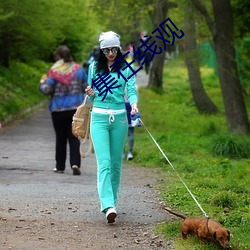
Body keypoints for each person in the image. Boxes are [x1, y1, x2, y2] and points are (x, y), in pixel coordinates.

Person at [85, 31, 139, 223]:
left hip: (120, 118)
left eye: (113, 49)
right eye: (106, 50)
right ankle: (107, 205)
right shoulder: (94, 68)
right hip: (98, 117)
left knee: (116, 164)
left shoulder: (125, 68)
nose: (110, 53)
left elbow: (131, 91)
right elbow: (91, 96)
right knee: (105, 163)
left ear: (118, 48)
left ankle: (112, 201)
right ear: (101, 50)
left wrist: (133, 104)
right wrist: (90, 92)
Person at [39, 45, 88, 175]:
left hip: (58, 109)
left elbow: (47, 90)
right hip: (75, 109)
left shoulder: (54, 71)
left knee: (60, 138)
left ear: (58, 57)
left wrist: (42, 83)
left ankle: (60, 166)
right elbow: (86, 86)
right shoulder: (79, 70)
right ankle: (75, 163)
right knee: (74, 137)